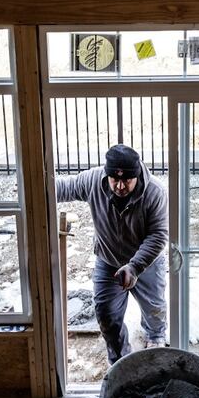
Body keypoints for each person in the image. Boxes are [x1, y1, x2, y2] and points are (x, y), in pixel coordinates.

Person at [56, 144, 169, 364]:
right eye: (114, 179)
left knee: (154, 309)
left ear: (136, 175)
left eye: (127, 180)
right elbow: (62, 188)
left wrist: (135, 267)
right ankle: (119, 360)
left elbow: (158, 236)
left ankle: (155, 337)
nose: (119, 186)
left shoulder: (155, 192)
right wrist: (31, 188)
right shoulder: (93, 180)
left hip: (146, 263)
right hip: (108, 261)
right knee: (107, 315)